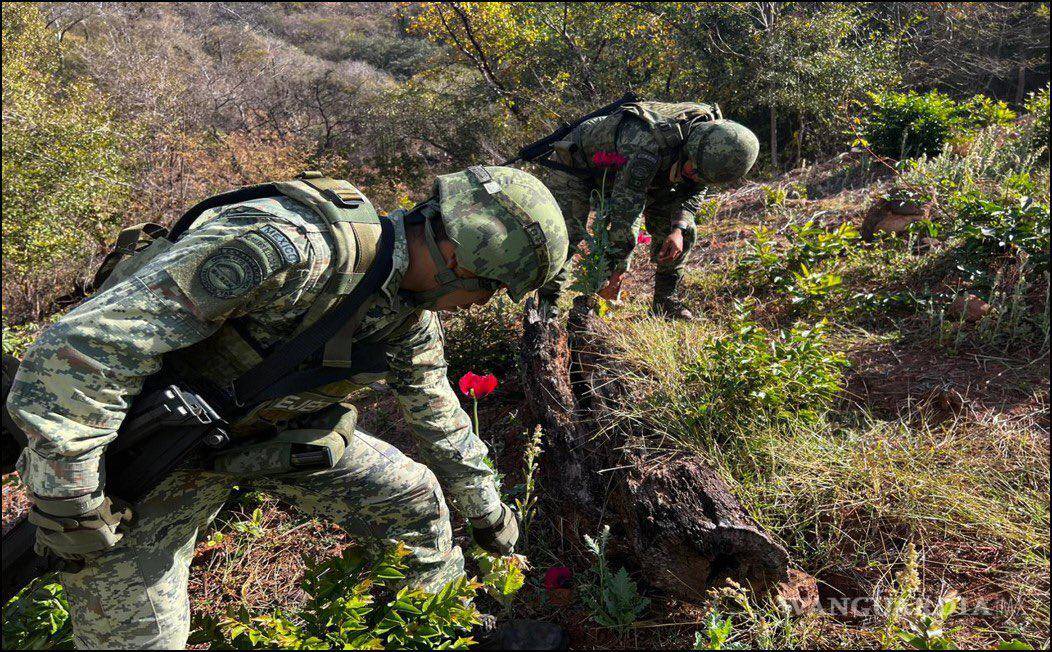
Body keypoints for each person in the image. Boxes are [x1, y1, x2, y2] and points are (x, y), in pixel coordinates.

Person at [6, 165, 568, 649]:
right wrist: (71, 497)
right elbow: (83, 348)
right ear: (456, 255)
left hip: (259, 440)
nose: (480, 306)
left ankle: (446, 627)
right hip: (149, 455)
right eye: (489, 289)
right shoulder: (295, 248)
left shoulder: (408, 316)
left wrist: (487, 510)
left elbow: (437, 411)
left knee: (414, 500)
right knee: (143, 637)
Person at [537, 100, 759, 319]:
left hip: (638, 170)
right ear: (690, 148)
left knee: (682, 231)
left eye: (703, 176)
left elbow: (694, 190)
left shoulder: (713, 143)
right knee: (567, 234)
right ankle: (547, 305)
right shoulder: (646, 145)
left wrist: (678, 229)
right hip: (581, 162)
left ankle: (665, 301)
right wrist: (618, 270)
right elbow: (625, 214)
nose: (696, 177)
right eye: (695, 170)